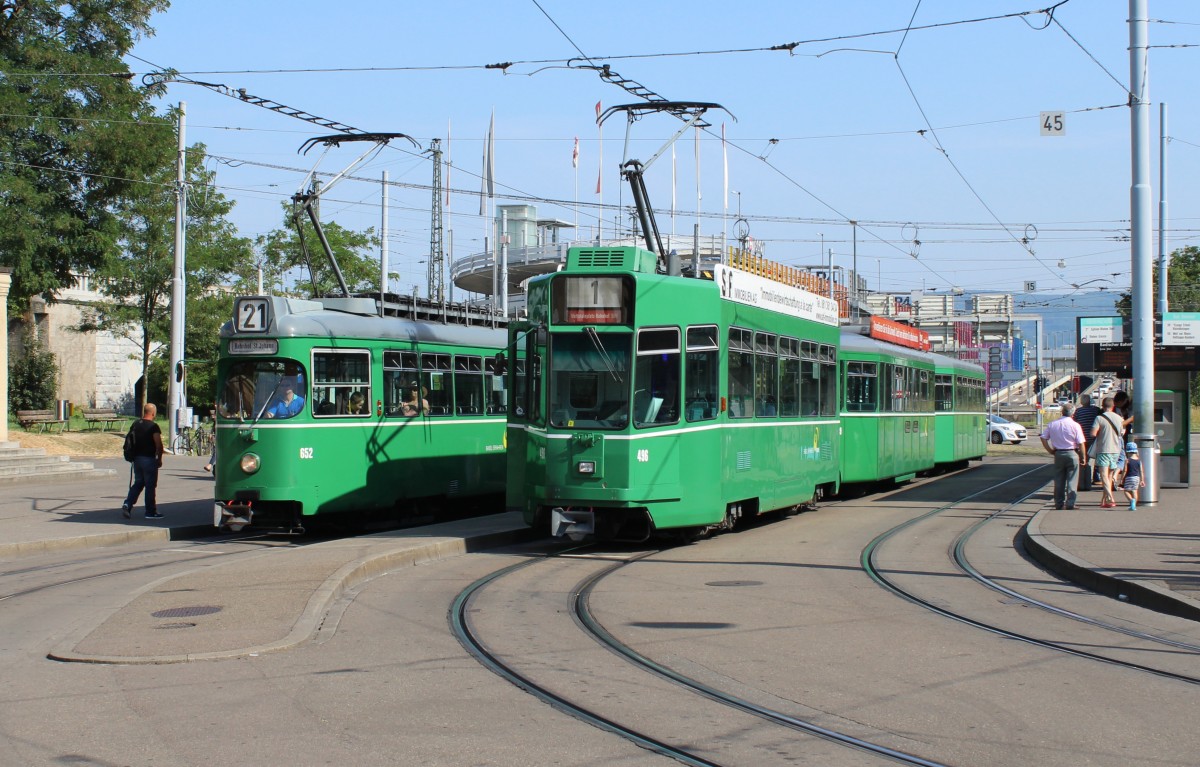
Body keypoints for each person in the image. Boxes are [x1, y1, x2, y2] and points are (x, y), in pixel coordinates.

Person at [1040, 402, 1087, 510]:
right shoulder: (1075, 425)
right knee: (1072, 479)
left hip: (1058, 454)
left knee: (1059, 480)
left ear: (1062, 412)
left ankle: (1058, 503)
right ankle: (1070, 503)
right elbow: (1081, 443)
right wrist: (1083, 457)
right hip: (1072, 453)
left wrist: (1050, 450)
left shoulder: (1053, 424)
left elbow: (1043, 437)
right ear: (1073, 413)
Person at [122, 402, 165, 520]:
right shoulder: (153, 426)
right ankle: (150, 511)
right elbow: (159, 445)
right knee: (150, 486)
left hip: (136, 459)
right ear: (153, 413)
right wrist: (159, 459)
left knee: (138, 483)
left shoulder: (136, 424)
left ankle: (127, 504)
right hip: (149, 459)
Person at [1090, 397, 1125, 509]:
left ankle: (1110, 498)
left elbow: (1093, 434)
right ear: (1113, 406)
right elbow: (1122, 433)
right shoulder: (1119, 418)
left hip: (1103, 449)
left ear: (1103, 406)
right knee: (1109, 476)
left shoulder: (1099, 418)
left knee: (1104, 475)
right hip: (1116, 450)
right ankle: (1103, 500)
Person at [1072, 394, 1101, 490]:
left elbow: (1074, 423)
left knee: (1082, 462)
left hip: (1081, 440)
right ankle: (1089, 483)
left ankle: (1081, 484)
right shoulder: (1095, 410)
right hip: (1093, 439)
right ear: (1090, 401)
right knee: (1091, 462)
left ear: (1081, 402)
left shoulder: (1078, 411)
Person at [1120, 441, 1145, 510]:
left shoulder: (1127, 460)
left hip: (1129, 477)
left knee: (1126, 491)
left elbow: (1125, 470)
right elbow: (1141, 471)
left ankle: (1131, 501)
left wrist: (1122, 479)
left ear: (1127, 451)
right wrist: (1142, 480)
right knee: (1134, 491)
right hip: (1137, 478)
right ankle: (1134, 505)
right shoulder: (1139, 461)